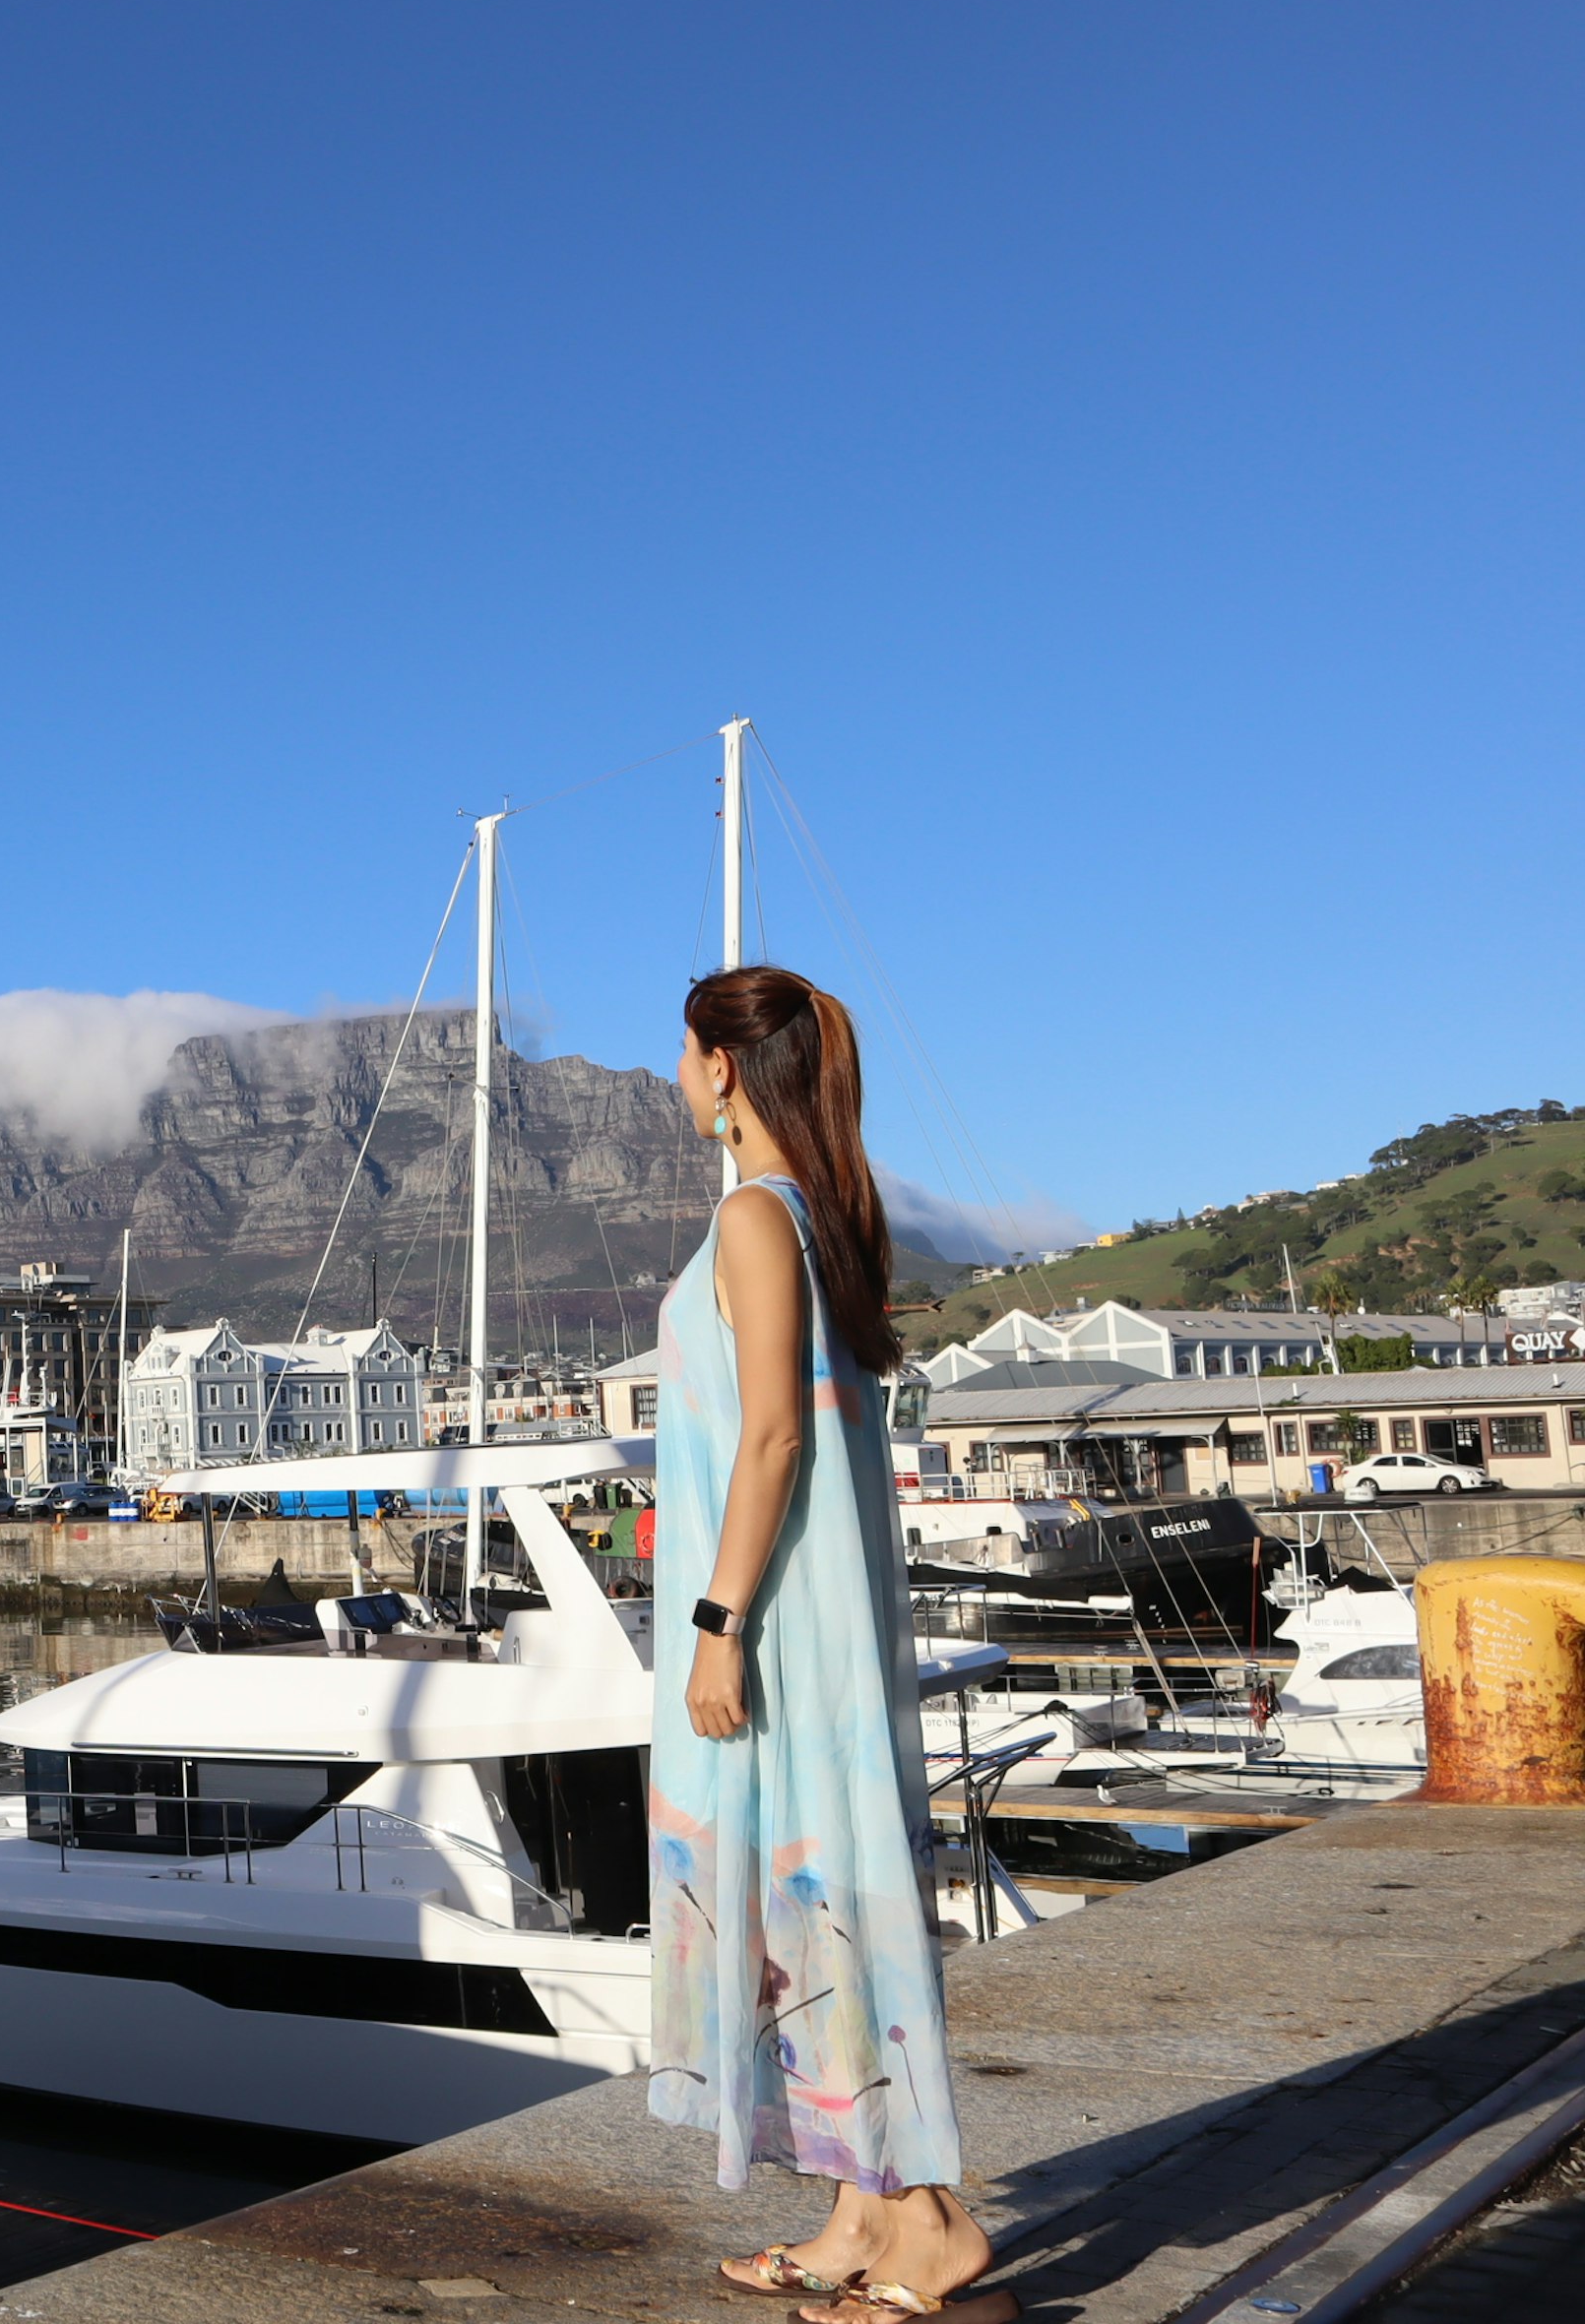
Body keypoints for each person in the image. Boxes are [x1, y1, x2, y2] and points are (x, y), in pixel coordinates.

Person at [652, 966, 1011, 2324]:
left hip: (778, 1626)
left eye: (684, 1057)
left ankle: (927, 2225)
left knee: (808, 1913)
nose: (679, 1079)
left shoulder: (755, 1215)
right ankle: (861, 2210)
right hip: (817, 1625)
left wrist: (716, 1626)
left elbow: (772, 1437)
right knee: (810, 1909)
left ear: (726, 1070)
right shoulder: (824, 1223)